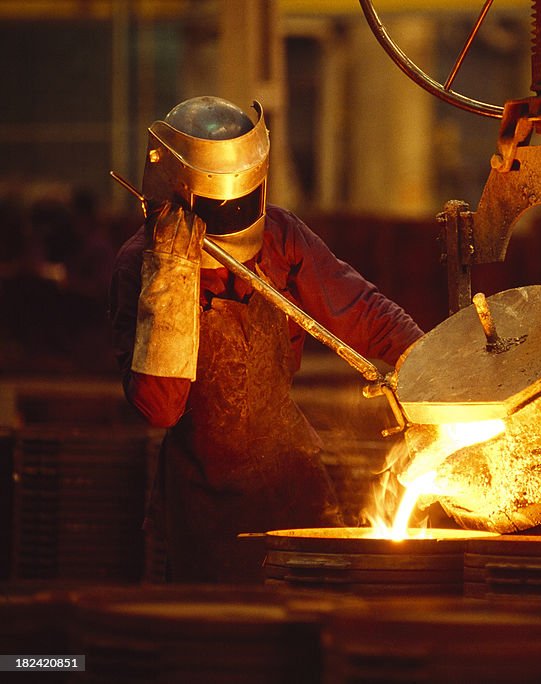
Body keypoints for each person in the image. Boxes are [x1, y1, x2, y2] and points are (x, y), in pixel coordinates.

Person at [109, 96, 424, 582]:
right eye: (218, 208)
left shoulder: (279, 237)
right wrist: (169, 279)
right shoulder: (141, 266)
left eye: (242, 203)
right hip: (203, 510)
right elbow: (160, 409)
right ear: (176, 191)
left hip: (294, 486)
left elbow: (363, 312)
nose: (233, 216)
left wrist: (436, 370)